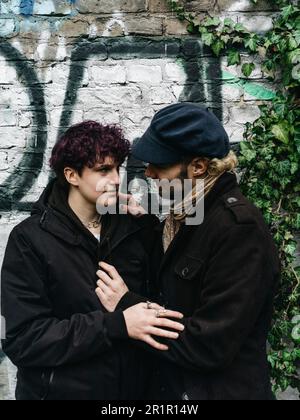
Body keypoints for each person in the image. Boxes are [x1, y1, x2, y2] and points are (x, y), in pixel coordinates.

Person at [96, 104, 281, 400]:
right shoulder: (185, 216)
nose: (149, 172)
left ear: (198, 167)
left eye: (161, 164)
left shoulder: (239, 231)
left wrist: (127, 304)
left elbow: (209, 345)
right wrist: (139, 222)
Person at [1, 121, 184, 400]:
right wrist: (117, 325)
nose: (115, 179)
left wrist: (149, 222)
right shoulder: (30, 240)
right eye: (103, 170)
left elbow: (164, 296)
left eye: (116, 169)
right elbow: (24, 339)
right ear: (71, 175)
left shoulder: (135, 228)